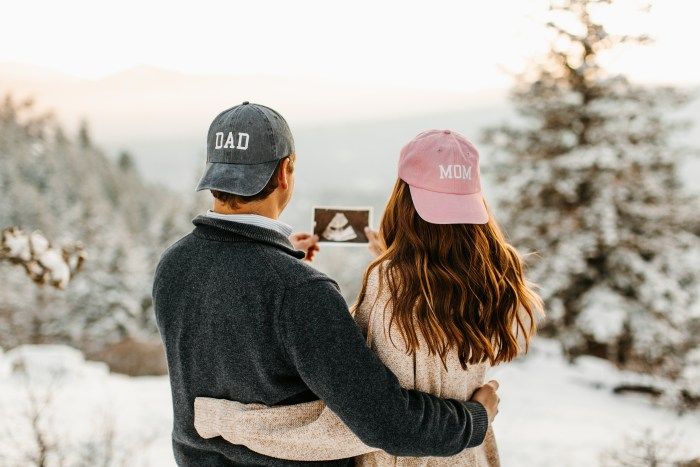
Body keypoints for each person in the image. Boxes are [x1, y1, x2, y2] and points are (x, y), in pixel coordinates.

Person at [153, 105, 499, 466]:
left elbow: (233, 337)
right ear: (286, 171)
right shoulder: (301, 291)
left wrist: (282, 259)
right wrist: (474, 419)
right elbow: (390, 424)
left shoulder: (174, 264)